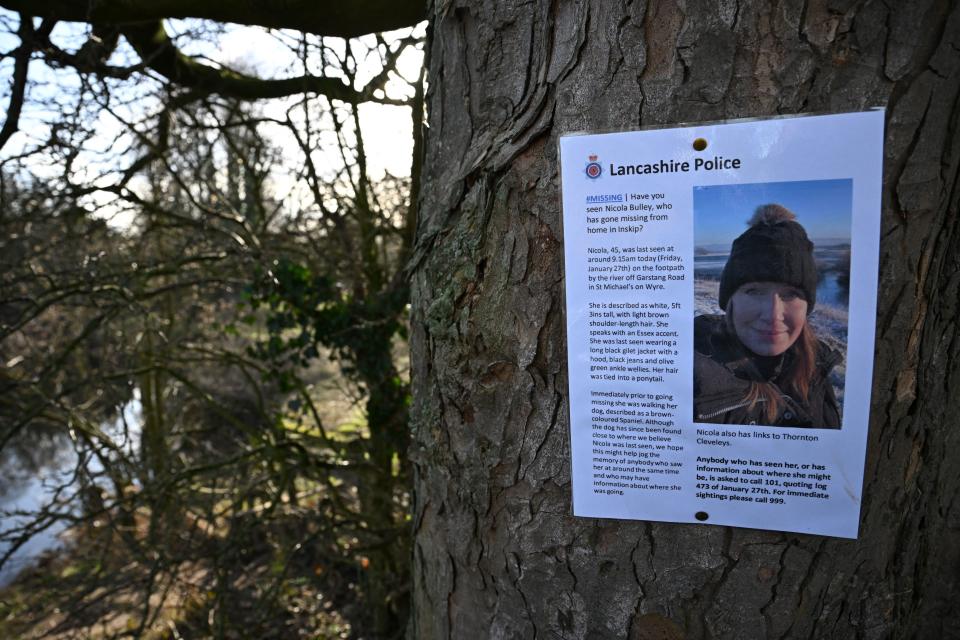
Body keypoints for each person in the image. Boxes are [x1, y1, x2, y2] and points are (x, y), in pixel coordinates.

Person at [693, 204, 841, 428]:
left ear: (807, 305)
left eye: (790, 294)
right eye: (754, 291)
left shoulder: (816, 365)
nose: (773, 314)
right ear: (730, 301)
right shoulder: (693, 372)